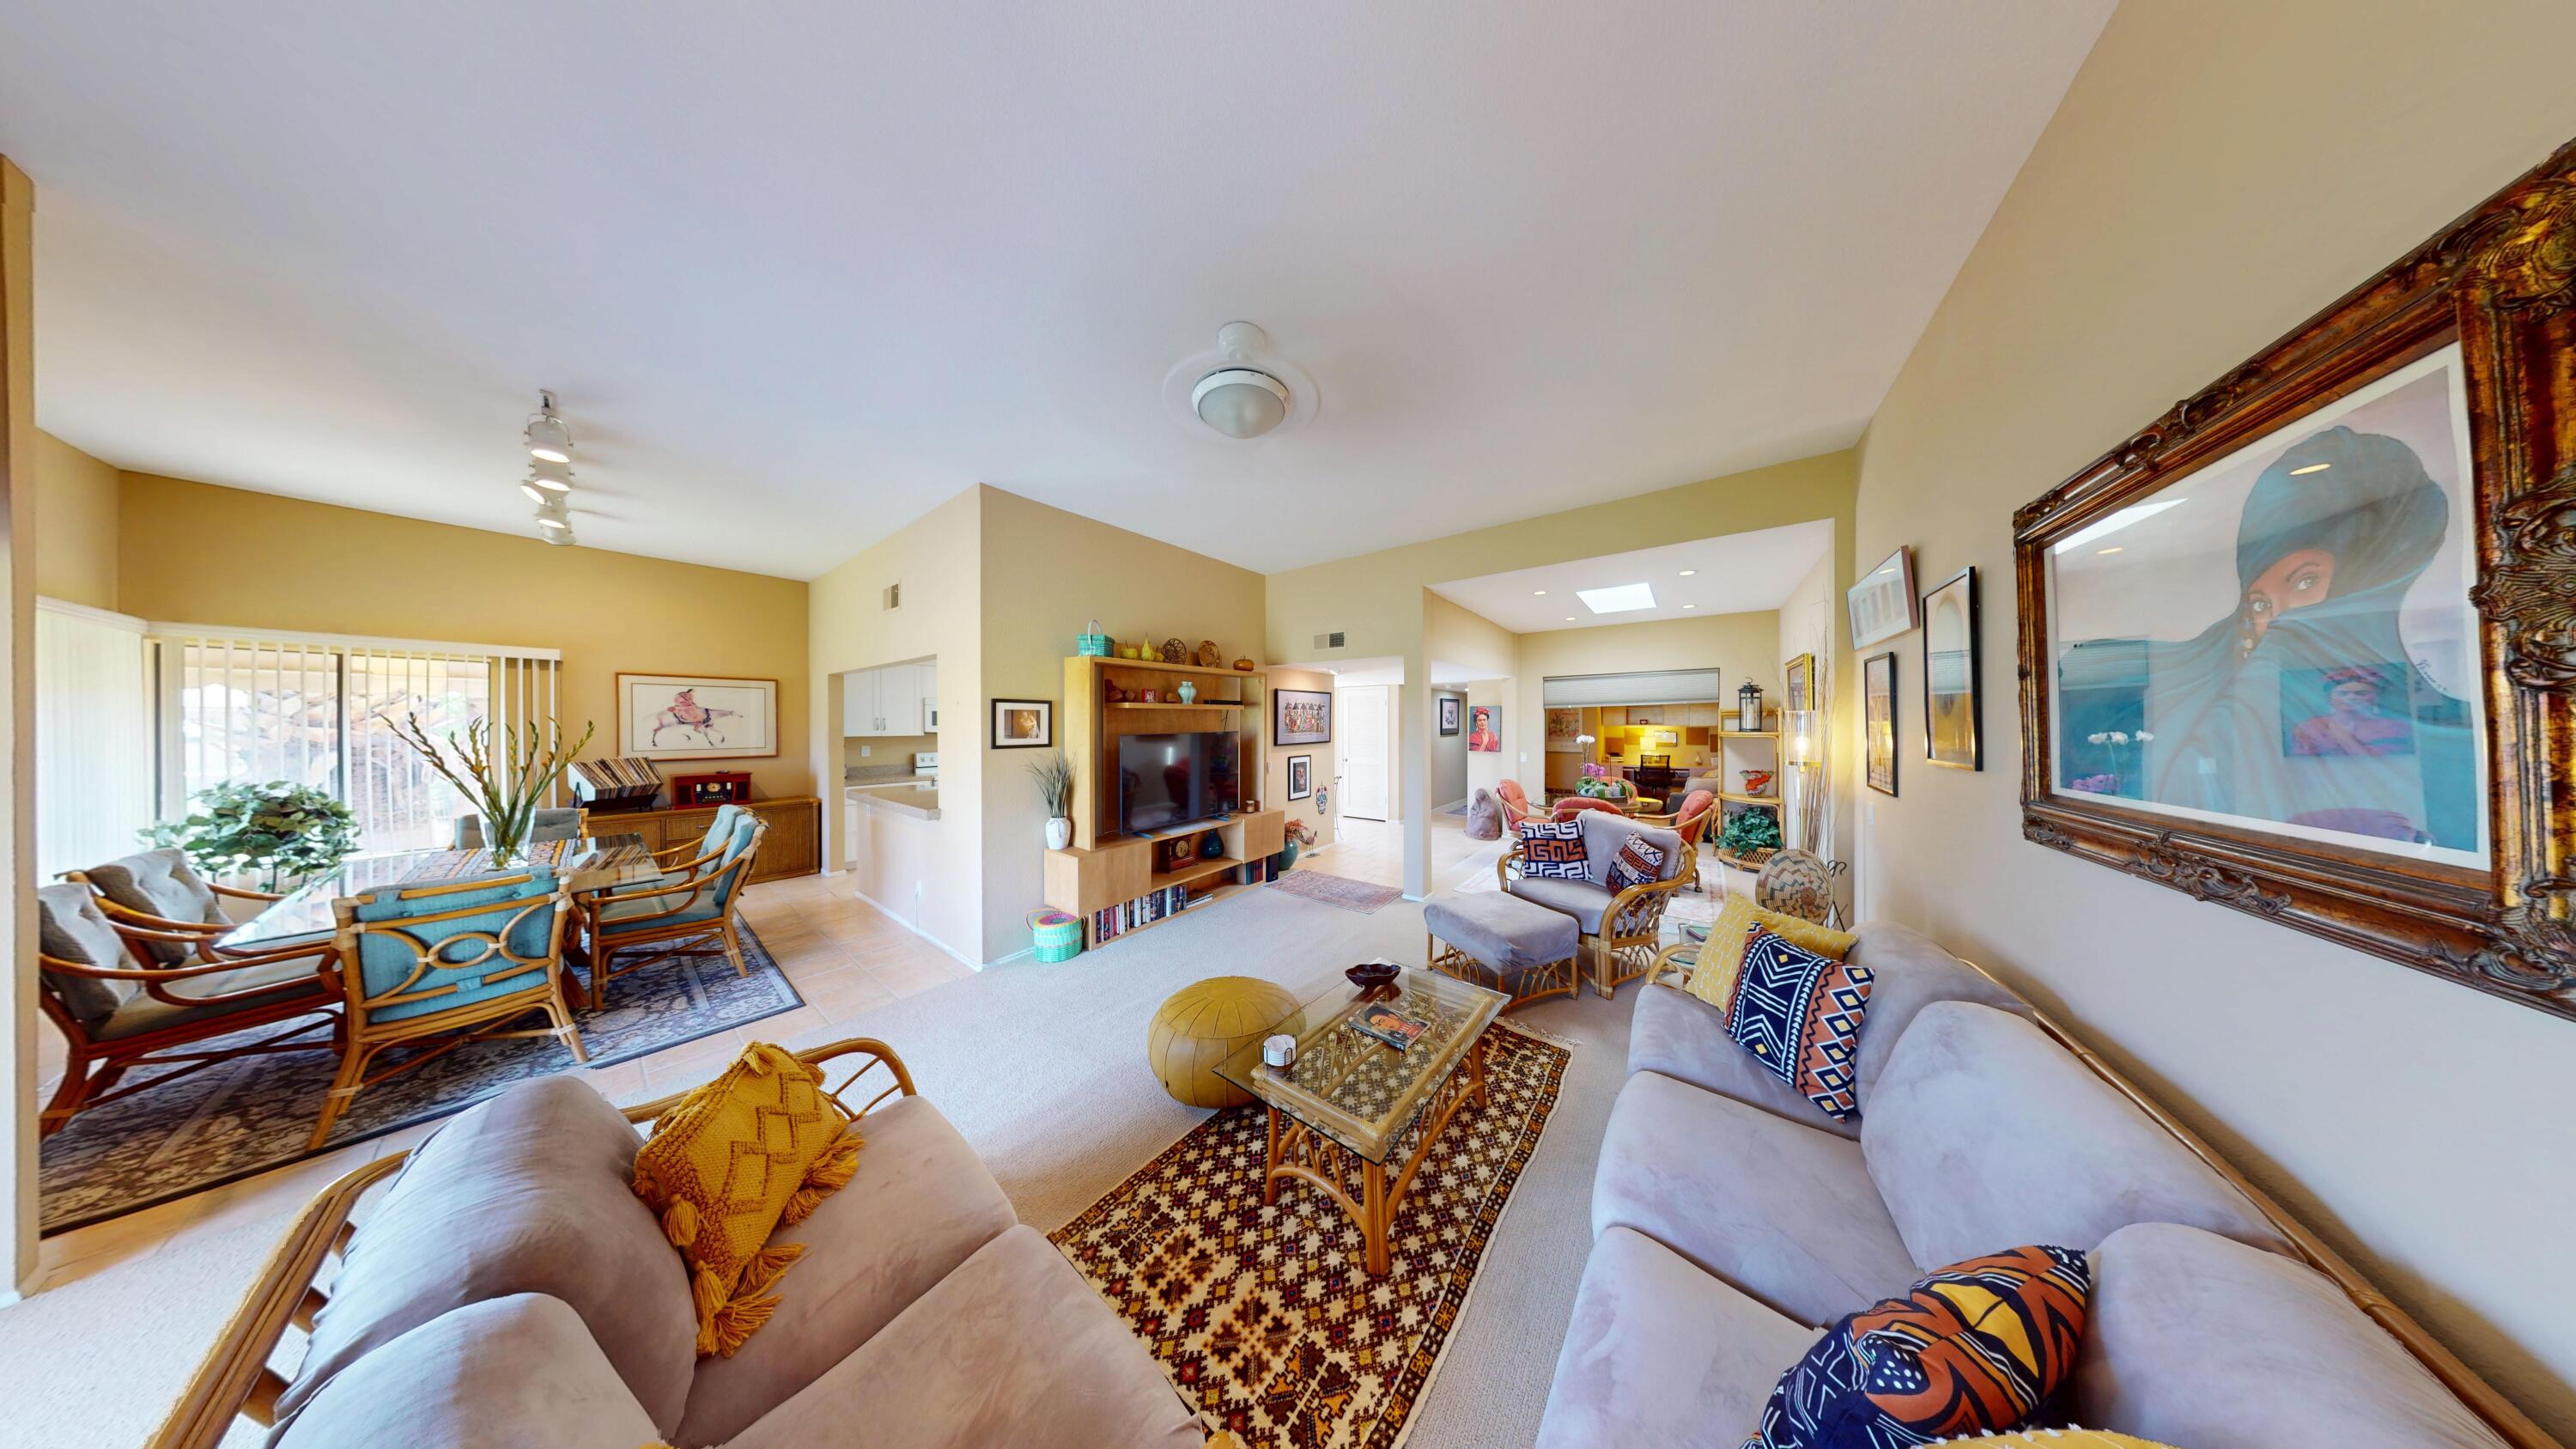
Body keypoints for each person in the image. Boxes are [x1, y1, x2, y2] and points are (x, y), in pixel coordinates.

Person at [2057, 423, 2476, 849]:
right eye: (2259, 604)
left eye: (2305, 582)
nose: (2275, 620)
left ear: (2368, 573)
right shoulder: (2244, 701)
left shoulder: (2441, 731)